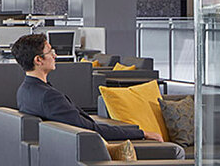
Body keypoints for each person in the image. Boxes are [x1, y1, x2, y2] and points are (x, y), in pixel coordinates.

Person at [10, 33, 149, 141]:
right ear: (38, 60)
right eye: (51, 52)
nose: (55, 55)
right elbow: (89, 130)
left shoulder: (24, 90)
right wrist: (141, 134)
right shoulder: (49, 97)